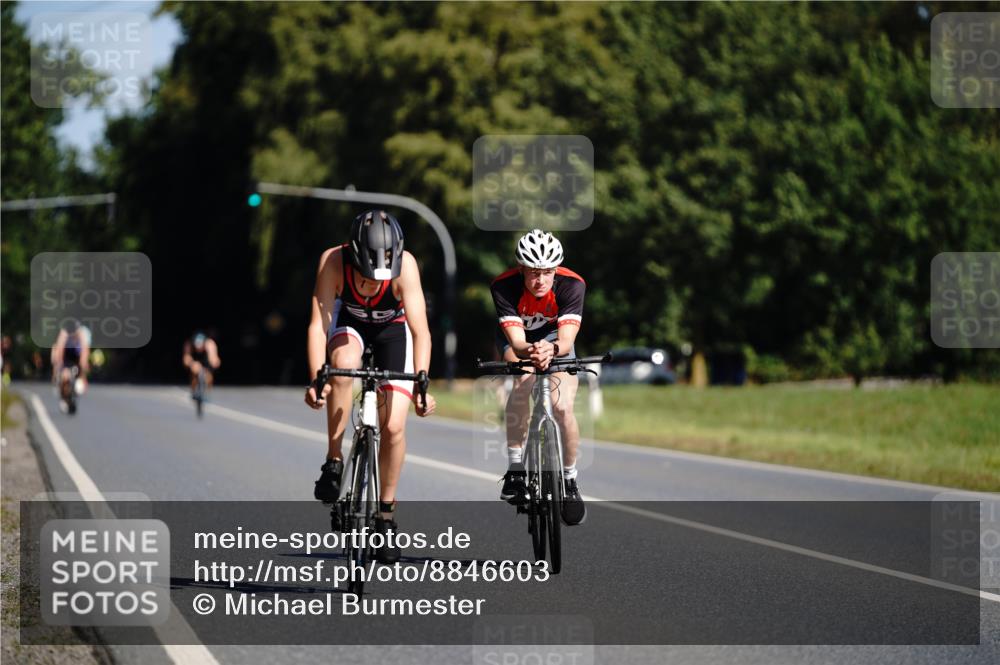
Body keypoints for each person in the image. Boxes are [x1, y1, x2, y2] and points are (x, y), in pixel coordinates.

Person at [304, 209, 436, 564]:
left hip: (394, 331)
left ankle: (385, 517)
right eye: (366, 276)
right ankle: (334, 459)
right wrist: (318, 377)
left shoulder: (406, 266)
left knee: (393, 426)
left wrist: (422, 385)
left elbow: (421, 333)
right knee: (343, 368)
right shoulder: (333, 261)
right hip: (350, 325)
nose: (373, 284)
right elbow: (318, 326)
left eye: (381, 277)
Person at [490, 229, 587, 525]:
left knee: (562, 407)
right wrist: (530, 351)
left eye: (546, 273)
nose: (540, 280)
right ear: (521, 269)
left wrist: (553, 348)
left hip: (557, 340)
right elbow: (517, 344)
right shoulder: (504, 287)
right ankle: (516, 468)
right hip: (520, 340)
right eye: (533, 273)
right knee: (522, 383)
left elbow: (567, 341)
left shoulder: (572, 284)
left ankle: (570, 480)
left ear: (555, 270)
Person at [50, 320, 90, 411]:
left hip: (76, 357)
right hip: (66, 357)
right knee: (65, 376)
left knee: (82, 367)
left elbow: (85, 352)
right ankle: (63, 396)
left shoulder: (81, 334)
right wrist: (57, 370)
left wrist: (83, 376)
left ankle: (74, 391)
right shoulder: (64, 334)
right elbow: (59, 353)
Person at [182, 331, 221, 397]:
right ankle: (194, 390)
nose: (198, 348)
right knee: (194, 371)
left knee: (208, 376)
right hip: (195, 361)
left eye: (200, 346)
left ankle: (206, 392)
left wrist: (213, 362)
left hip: (206, 361)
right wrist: (191, 363)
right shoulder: (189, 344)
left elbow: (214, 358)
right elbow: (186, 358)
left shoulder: (210, 344)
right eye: (196, 346)